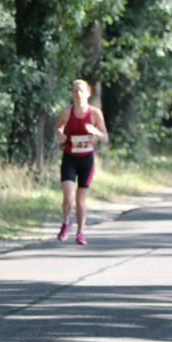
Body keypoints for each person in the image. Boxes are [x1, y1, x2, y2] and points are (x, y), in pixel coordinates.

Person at [54, 79, 109, 245]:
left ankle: (81, 232)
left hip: (86, 159)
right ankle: (66, 223)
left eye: (81, 91)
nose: (78, 94)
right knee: (68, 197)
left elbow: (106, 138)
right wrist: (60, 135)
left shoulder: (94, 113)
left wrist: (96, 132)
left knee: (80, 199)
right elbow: (58, 128)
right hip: (70, 157)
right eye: (75, 91)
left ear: (88, 93)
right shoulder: (67, 112)